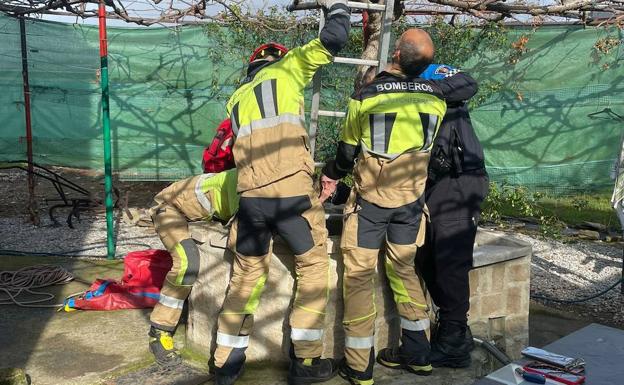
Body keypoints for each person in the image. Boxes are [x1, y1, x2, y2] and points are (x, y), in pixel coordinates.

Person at [211, 1, 351, 384]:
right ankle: (305, 363)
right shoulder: (288, 70)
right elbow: (335, 37)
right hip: (291, 197)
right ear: (278, 60)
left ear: (251, 69)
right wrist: (337, 7)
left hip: (251, 200)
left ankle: (226, 362)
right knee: (313, 269)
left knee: (245, 278)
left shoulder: (236, 100)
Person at [321, 29, 448, 385]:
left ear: (395, 54)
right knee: (405, 270)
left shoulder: (368, 95)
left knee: (359, 278)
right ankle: (418, 355)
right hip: (411, 203)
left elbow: (346, 155)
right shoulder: (437, 98)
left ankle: (360, 367)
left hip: (372, 205)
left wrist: (330, 176)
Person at [415, 63, 488, 368]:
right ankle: (454, 328)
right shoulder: (396, 85)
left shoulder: (430, 73)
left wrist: (425, 89)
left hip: (459, 182)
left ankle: (454, 343)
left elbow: (468, 83)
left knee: (450, 263)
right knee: (424, 258)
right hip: (433, 183)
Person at [147, 168, 239, 368]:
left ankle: (180, 307)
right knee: (187, 262)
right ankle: (159, 330)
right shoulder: (245, 183)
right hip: (167, 207)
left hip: (191, 213)